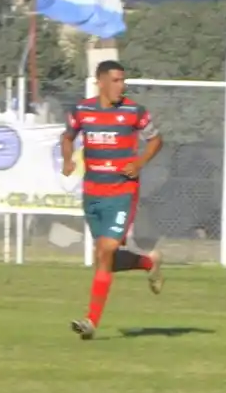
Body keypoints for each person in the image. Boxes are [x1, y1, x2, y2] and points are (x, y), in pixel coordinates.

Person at [61, 59, 165, 340]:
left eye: (123, 80)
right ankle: (148, 263)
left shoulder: (134, 112)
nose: (122, 85)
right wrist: (67, 157)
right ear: (101, 82)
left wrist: (140, 162)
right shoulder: (82, 111)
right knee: (103, 258)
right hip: (93, 191)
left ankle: (91, 322)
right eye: (117, 80)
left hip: (122, 191)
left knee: (106, 250)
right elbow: (67, 136)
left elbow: (156, 140)